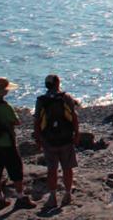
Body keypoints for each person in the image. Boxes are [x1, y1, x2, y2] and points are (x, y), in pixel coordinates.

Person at [0, 77, 35, 210]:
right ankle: (20, 197)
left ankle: (0, 199)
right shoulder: (5, 106)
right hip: (7, 142)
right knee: (16, 170)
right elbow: (16, 121)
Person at [33, 75, 79, 209]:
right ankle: (68, 194)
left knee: (51, 169)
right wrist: (76, 133)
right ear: (57, 83)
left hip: (49, 139)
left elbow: (37, 121)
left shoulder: (41, 100)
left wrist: (38, 139)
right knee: (67, 168)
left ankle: (52, 197)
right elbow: (74, 117)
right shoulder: (66, 97)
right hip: (66, 138)